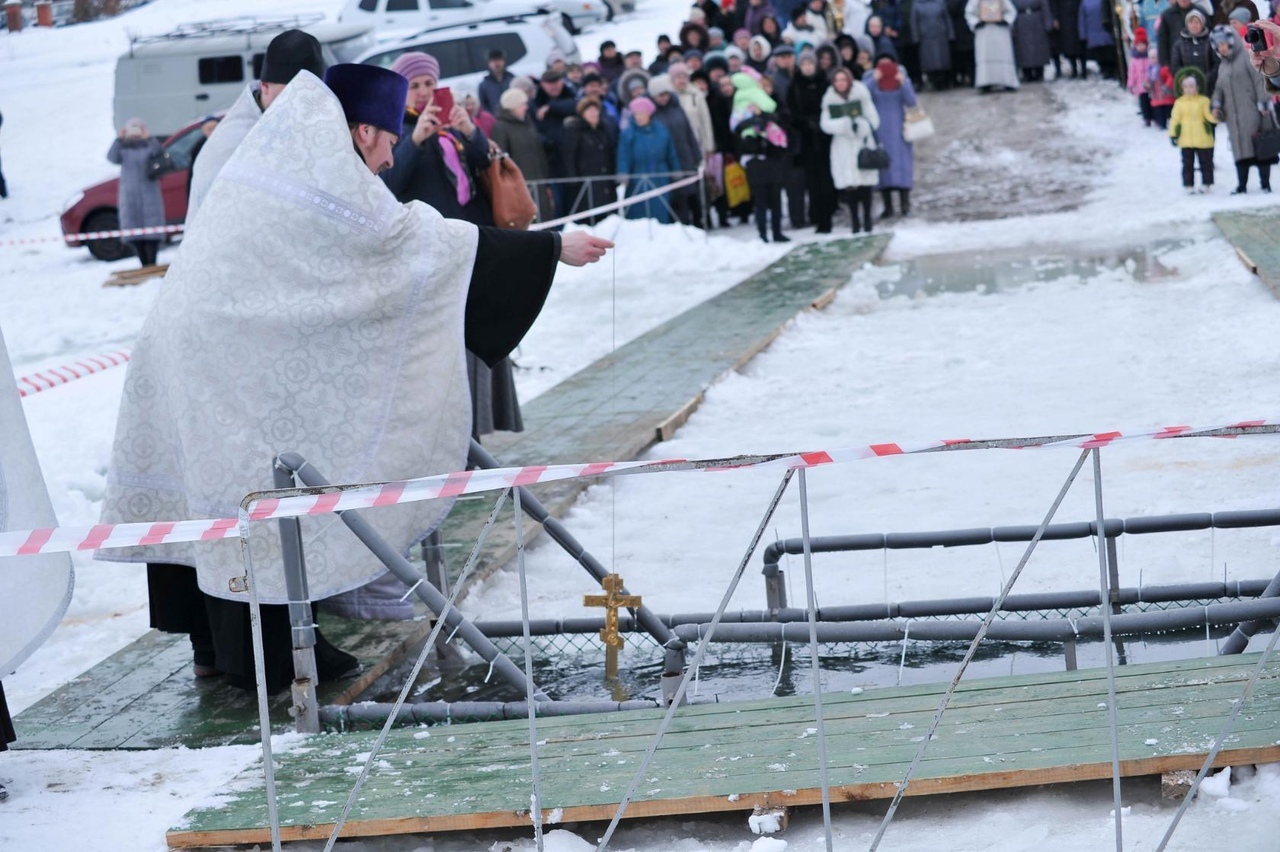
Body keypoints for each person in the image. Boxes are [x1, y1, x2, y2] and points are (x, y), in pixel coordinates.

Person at [99, 65, 613, 695]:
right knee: (247, 496)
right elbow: (413, 241)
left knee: (231, 493)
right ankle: (270, 661)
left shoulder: (287, 156)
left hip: (204, 341)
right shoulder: (326, 172)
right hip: (220, 349)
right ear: (363, 130)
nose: (395, 150)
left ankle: (226, 651)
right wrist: (551, 249)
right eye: (390, 137)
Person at [187, 29, 325, 219]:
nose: (298, 106)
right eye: (289, 95)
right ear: (264, 86)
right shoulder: (232, 141)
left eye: (308, 97)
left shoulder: (313, 122)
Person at [1209, 25, 1273, 193]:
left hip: (1252, 112)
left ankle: (1265, 183)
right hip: (1234, 117)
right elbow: (1219, 89)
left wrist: (1264, 103)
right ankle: (1242, 185)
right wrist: (1216, 104)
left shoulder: (1245, 57)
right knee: (1240, 150)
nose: (1222, 48)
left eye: (1224, 43)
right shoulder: (1223, 65)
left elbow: (1260, 80)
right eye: (1218, 45)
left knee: (1259, 146)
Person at [731, 71, 794, 242]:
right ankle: (762, 234)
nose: (764, 88)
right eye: (761, 85)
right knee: (760, 198)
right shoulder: (744, 105)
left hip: (774, 156)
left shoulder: (777, 104)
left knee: (775, 197)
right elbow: (736, 128)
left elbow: (784, 121)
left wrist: (763, 116)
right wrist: (752, 122)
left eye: (767, 86)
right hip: (754, 157)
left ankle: (777, 231)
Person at [820, 65, 881, 232]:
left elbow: (874, 119)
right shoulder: (829, 98)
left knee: (865, 183)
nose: (840, 83)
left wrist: (861, 125)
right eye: (837, 80)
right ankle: (854, 223)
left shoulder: (861, 95)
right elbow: (825, 124)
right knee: (850, 186)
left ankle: (868, 221)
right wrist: (844, 124)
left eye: (843, 79)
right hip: (842, 146)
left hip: (862, 143)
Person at [787, 48, 837, 232]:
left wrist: (822, 123)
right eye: (804, 64)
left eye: (810, 64)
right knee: (812, 180)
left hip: (825, 137)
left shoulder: (825, 83)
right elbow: (791, 113)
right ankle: (816, 215)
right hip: (806, 140)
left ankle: (828, 213)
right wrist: (805, 123)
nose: (808, 68)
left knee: (826, 177)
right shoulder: (795, 87)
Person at [108, 118, 165, 269]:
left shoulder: (149, 145)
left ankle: (152, 263)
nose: (134, 132)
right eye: (131, 129)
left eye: (137, 128)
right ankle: (143, 264)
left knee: (152, 230)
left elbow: (160, 155)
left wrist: (149, 138)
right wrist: (119, 139)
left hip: (150, 194)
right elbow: (111, 158)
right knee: (134, 231)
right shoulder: (123, 147)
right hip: (129, 195)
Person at [491, 88, 555, 223]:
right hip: (520, 186)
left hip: (539, 182)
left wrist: (546, 181)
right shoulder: (501, 127)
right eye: (522, 104)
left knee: (545, 220)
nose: (526, 107)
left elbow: (539, 153)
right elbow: (500, 161)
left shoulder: (527, 123)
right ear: (513, 106)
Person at [649, 74, 705, 225]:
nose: (664, 98)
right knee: (674, 197)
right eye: (660, 95)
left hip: (685, 156)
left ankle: (696, 223)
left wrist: (696, 154)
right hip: (667, 162)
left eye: (666, 93)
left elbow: (688, 131)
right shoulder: (652, 114)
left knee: (691, 194)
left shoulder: (676, 107)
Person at [864, 55, 916, 218]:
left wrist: (903, 83)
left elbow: (912, 102)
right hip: (879, 128)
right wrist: (874, 80)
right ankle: (888, 206)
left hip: (899, 128)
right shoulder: (869, 80)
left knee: (902, 166)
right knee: (882, 165)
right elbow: (863, 97)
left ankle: (905, 204)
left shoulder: (902, 79)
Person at [617, 96, 682, 222]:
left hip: (660, 175)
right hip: (637, 176)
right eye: (636, 114)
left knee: (660, 209)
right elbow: (623, 155)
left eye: (642, 113)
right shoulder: (628, 133)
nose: (639, 117)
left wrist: (675, 170)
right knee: (638, 211)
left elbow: (671, 152)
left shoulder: (661, 130)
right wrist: (623, 173)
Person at [562, 97, 618, 222]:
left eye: (596, 110)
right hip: (584, 182)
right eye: (590, 111)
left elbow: (610, 154)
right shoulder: (575, 130)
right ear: (582, 113)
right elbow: (569, 155)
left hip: (604, 182)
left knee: (607, 218)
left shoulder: (603, 130)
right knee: (588, 217)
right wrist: (573, 179)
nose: (594, 113)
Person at [1168, 65, 1217, 193]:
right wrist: (1173, 134)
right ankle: (1188, 185)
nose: (1189, 89)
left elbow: (1209, 115)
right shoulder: (1179, 103)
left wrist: (1216, 117)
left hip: (1202, 137)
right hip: (1186, 139)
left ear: (1197, 87)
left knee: (1205, 162)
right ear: (1182, 88)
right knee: (1187, 163)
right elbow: (1175, 119)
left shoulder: (1204, 101)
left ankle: (1207, 183)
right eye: (1186, 87)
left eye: (1191, 86)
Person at [967, 0, 1020, 91]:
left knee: (1003, 54)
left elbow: (1011, 11)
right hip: (984, 32)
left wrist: (1006, 20)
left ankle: (1008, 81)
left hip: (1000, 31)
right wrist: (977, 23)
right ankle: (985, 83)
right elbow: (969, 12)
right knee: (985, 54)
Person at [911, 0, 956, 89]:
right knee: (929, 62)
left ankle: (943, 81)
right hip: (926, 37)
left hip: (941, 35)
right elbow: (914, 22)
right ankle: (933, 80)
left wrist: (951, 34)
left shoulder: (940, 3)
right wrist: (916, 37)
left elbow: (947, 19)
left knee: (942, 60)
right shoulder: (917, 4)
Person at [1171, 9, 1218, 92]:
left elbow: (1216, 64)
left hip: (1209, 87)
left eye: (1197, 22)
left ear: (1202, 25)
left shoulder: (1210, 42)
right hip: (1187, 89)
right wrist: (1186, 79)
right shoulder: (1179, 44)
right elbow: (1175, 66)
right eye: (1191, 22)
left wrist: (1205, 79)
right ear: (1187, 25)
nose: (1194, 25)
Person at [1011, 0, 1053, 81]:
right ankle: (1026, 73)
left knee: (1039, 48)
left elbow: (1045, 6)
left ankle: (1039, 71)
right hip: (1021, 21)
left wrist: (1048, 22)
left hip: (1037, 20)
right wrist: (1012, 27)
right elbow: (1011, 8)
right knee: (1023, 49)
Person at [1077, 0, 1115, 78]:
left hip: (1104, 31)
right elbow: (1082, 19)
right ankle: (1105, 70)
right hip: (1095, 32)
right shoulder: (1085, 2)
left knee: (1107, 53)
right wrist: (1083, 34)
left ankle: (1109, 70)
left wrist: (1083, 34)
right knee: (1101, 54)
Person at [1127, 28, 1154, 125]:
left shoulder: (1150, 56)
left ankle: (1153, 116)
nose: (1141, 47)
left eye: (1143, 45)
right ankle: (1146, 118)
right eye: (1138, 45)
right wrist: (1131, 84)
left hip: (1151, 85)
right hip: (1140, 86)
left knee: (1152, 101)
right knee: (1144, 102)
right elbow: (1131, 73)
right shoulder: (1134, 60)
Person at [948, 0, 978, 84]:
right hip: (959, 30)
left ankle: (972, 78)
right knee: (964, 57)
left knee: (970, 56)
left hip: (965, 29)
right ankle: (965, 77)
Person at [478, 49, 514, 116]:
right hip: (496, 120)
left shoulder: (512, 79)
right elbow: (484, 107)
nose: (497, 63)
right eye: (494, 61)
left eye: (499, 60)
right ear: (489, 63)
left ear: (503, 62)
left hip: (514, 118)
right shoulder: (484, 85)